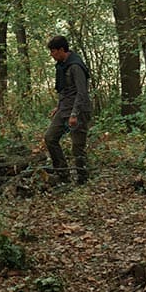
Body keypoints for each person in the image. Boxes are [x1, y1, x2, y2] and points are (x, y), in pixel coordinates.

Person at [44, 35, 92, 185]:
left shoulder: (76, 66)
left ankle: (82, 178)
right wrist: (58, 107)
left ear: (61, 50)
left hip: (78, 111)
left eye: (53, 51)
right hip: (64, 109)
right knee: (50, 138)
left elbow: (81, 93)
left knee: (77, 147)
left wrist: (74, 114)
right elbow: (64, 90)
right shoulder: (61, 65)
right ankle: (62, 173)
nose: (51, 55)